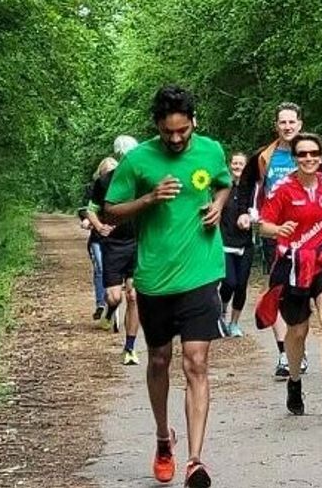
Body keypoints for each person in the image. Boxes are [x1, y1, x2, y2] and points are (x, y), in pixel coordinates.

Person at [104, 85, 231, 488]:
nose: (176, 139)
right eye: (167, 133)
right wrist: (149, 199)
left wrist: (219, 204)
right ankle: (164, 438)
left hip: (201, 272)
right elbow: (111, 211)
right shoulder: (139, 160)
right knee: (159, 360)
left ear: (193, 122)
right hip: (156, 278)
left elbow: (224, 183)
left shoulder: (211, 150)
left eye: (182, 131)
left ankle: (195, 460)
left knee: (196, 362)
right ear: (157, 127)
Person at [255, 132, 322, 414]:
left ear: (321, 155)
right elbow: (262, 224)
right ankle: (294, 380)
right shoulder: (283, 188)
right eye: (302, 154)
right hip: (294, 263)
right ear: (295, 158)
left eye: (314, 153)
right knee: (298, 330)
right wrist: (277, 230)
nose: (309, 159)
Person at [238, 102, 309, 378]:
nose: (288, 127)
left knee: (302, 295)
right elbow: (245, 185)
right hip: (274, 231)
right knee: (279, 291)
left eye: (292, 122)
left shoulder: (310, 152)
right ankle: (284, 353)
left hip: (308, 233)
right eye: (283, 123)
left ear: (300, 125)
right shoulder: (264, 156)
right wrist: (246, 212)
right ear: (276, 126)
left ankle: (297, 348)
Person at [86, 141, 142, 366]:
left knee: (133, 296)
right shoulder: (104, 182)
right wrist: (99, 227)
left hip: (138, 243)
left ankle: (129, 348)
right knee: (114, 296)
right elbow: (91, 210)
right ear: (120, 157)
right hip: (113, 245)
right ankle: (110, 312)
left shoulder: (143, 180)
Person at [218, 152, 253, 337]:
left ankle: (234, 323)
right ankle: (222, 311)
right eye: (235, 163)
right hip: (225, 242)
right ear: (230, 165)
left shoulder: (251, 189)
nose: (238, 166)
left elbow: (259, 210)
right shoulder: (223, 187)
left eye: (241, 163)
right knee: (229, 282)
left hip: (246, 244)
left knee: (241, 285)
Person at [78, 161, 110, 323]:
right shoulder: (94, 188)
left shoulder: (125, 188)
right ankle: (100, 304)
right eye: (107, 172)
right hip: (98, 237)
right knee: (100, 268)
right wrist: (87, 220)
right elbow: (87, 210)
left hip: (120, 239)